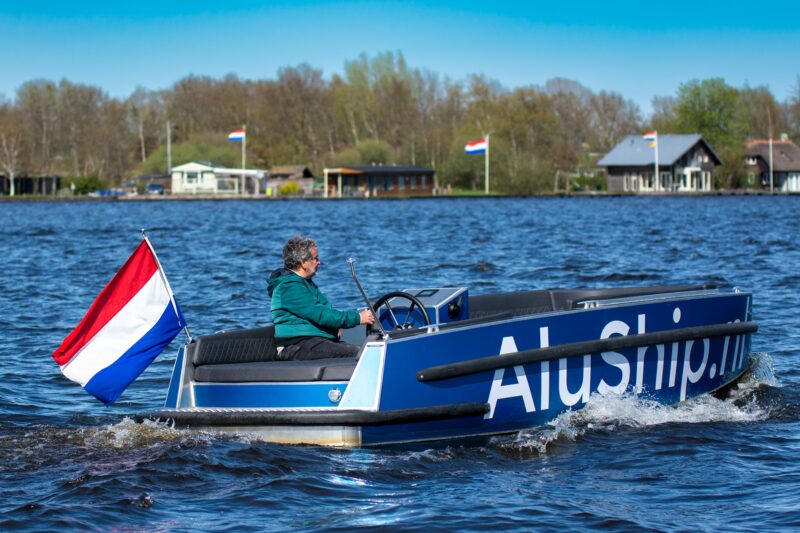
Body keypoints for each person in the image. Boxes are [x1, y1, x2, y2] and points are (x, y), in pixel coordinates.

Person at [268, 236, 375, 360]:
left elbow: (321, 310)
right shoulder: (289, 287)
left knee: (360, 350)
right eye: (315, 258)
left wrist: (333, 327)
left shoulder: (304, 283)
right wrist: (358, 318)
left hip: (311, 341)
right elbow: (321, 315)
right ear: (303, 263)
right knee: (359, 353)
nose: (319, 262)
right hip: (296, 346)